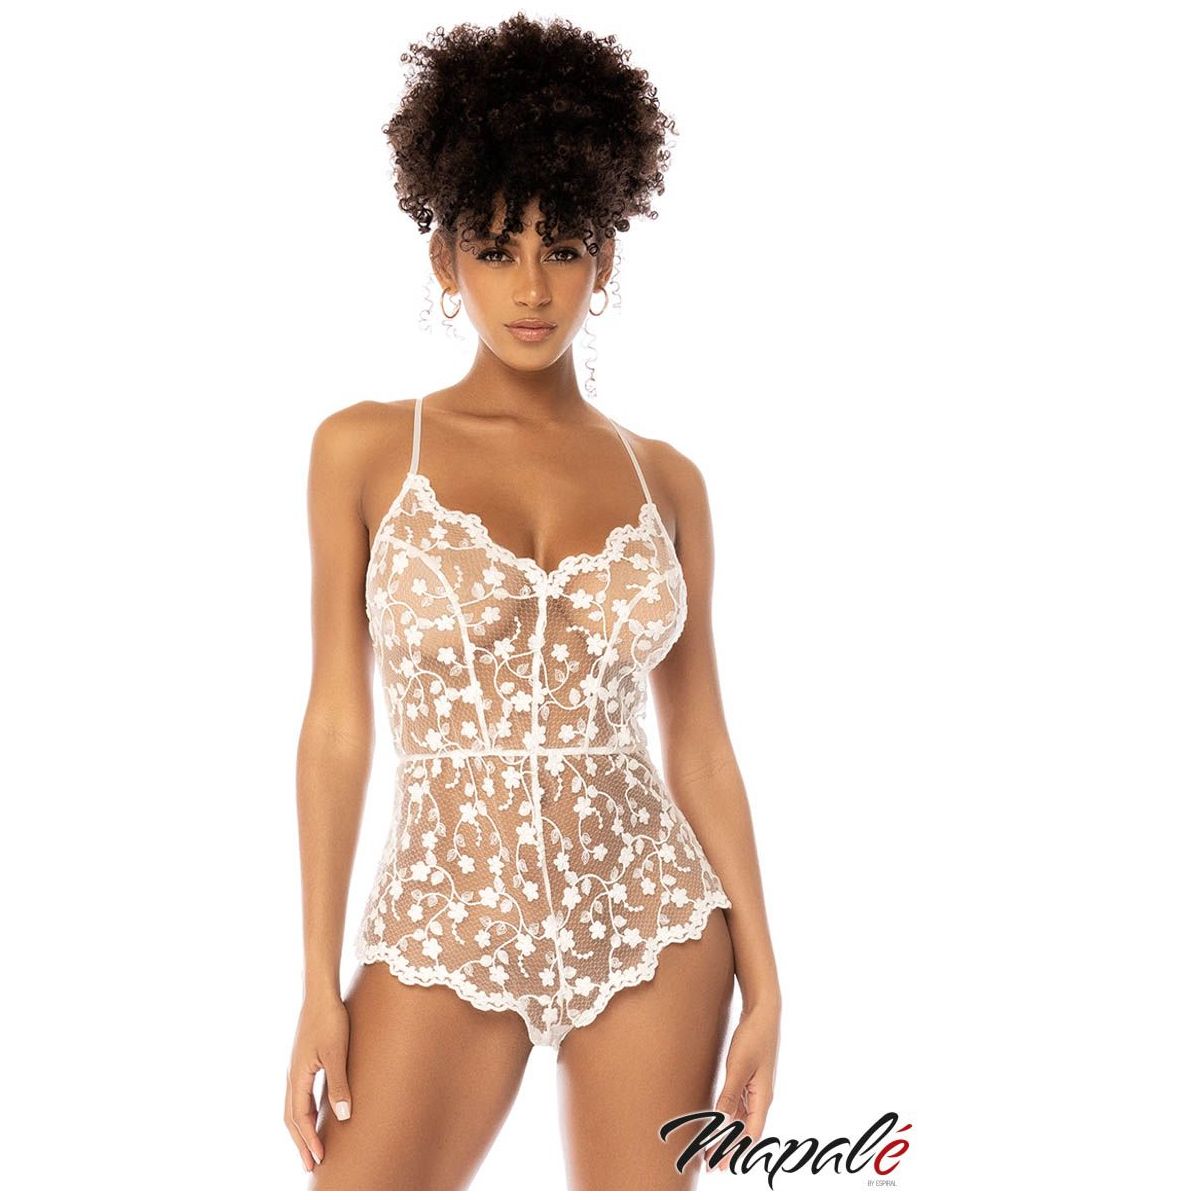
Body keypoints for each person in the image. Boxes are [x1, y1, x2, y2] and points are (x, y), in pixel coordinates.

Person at [284, 14, 781, 1190]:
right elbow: (338, 726)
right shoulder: (365, 451)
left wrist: (767, 979)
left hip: (655, 917)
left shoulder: (667, 481)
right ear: (444, 258)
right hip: (446, 916)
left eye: (562, 246)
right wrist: (316, 984)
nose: (530, 286)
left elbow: (700, 742)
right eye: (495, 246)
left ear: (605, 259)